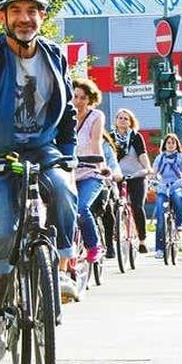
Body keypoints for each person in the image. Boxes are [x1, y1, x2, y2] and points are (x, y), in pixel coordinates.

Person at [0, 0, 78, 361]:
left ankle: (61, 269)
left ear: (42, 16)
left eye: (32, 11)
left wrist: (70, 154)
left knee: (64, 190)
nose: (25, 18)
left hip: (41, 149)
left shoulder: (54, 55)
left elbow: (67, 110)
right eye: (16, 11)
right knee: (5, 232)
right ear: (3, 18)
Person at [72, 78, 107, 264]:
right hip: (68, 172)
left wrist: (101, 165)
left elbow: (95, 142)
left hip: (89, 172)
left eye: (83, 98)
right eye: (75, 97)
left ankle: (94, 245)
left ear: (90, 99)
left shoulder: (96, 116)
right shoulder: (64, 114)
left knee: (81, 208)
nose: (78, 101)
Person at [110, 109, 152, 253]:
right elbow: (106, 156)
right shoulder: (110, 137)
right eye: (120, 118)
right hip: (117, 176)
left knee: (137, 206)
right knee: (114, 206)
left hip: (136, 176)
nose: (123, 121)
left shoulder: (135, 137)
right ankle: (115, 232)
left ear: (131, 122)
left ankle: (142, 240)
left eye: (126, 119)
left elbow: (142, 154)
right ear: (116, 121)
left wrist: (147, 168)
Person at [150, 133, 182, 259]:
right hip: (163, 187)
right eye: (168, 142)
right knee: (160, 216)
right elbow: (154, 172)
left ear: (177, 144)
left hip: (177, 185)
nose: (171, 145)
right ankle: (159, 249)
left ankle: (180, 222)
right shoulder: (160, 157)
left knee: (178, 197)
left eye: (173, 142)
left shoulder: (181, 157)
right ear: (165, 144)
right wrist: (151, 179)